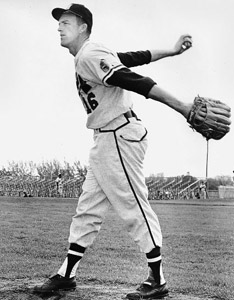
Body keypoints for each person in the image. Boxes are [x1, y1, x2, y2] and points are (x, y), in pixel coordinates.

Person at [34, 3, 193, 299]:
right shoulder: (91, 55)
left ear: (83, 27)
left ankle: (157, 279)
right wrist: (171, 52)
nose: (59, 26)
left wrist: (182, 107)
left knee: (133, 205)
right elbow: (135, 59)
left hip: (119, 135)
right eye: (59, 22)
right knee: (87, 210)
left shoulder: (90, 53)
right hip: (106, 138)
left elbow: (133, 80)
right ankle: (66, 275)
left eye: (66, 21)